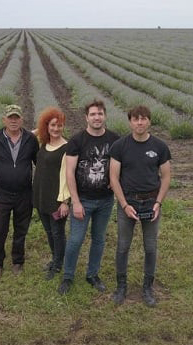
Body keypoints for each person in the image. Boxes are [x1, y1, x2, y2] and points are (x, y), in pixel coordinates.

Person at [109, 105, 171, 307]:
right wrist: (124, 205)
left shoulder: (160, 147)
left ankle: (147, 287)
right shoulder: (120, 146)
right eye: (135, 119)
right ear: (130, 122)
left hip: (151, 203)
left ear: (149, 121)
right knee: (123, 246)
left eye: (143, 119)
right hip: (128, 202)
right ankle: (121, 286)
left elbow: (166, 176)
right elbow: (114, 178)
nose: (139, 123)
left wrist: (158, 203)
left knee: (150, 247)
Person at [58, 99, 120, 295]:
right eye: (93, 114)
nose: (97, 117)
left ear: (105, 116)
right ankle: (68, 276)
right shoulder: (77, 141)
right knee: (75, 240)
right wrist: (75, 201)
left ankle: (92, 274)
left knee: (99, 239)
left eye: (100, 114)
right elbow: (70, 173)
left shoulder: (115, 140)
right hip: (82, 200)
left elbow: (122, 165)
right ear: (86, 117)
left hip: (105, 200)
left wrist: (116, 179)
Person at [0, 104, 39, 277]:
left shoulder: (30, 139)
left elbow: (39, 163)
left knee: (21, 230)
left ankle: (18, 261)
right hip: (2, 193)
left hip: (24, 194)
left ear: (22, 119)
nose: (13, 121)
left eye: (16, 118)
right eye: (10, 118)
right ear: (4, 120)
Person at [32, 107, 71, 280]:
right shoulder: (43, 143)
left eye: (59, 125)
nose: (56, 129)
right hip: (41, 195)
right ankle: (56, 258)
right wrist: (40, 130)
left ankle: (57, 265)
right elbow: (28, 135)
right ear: (46, 126)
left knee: (57, 232)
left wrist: (65, 202)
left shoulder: (67, 148)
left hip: (57, 199)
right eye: (52, 125)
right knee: (48, 231)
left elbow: (68, 177)